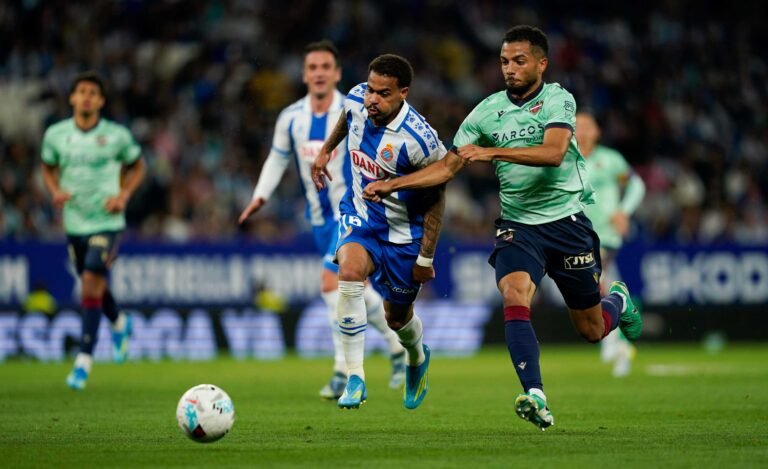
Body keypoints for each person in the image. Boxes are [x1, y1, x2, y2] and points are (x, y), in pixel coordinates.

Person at [363, 26, 642, 429]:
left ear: (541, 64)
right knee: (514, 292)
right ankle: (535, 394)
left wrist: (491, 151)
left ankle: (618, 299)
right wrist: (394, 183)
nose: (509, 69)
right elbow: (447, 167)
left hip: (567, 224)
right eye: (504, 62)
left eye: (519, 61)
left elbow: (554, 153)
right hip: (518, 226)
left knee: (593, 329)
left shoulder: (558, 100)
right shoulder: (485, 111)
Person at [238, 41, 405, 400]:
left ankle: (343, 371)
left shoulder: (355, 109)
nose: (318, 73)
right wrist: (260, 196)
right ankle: (395, 348)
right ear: (304, 74)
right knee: (354, 291)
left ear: (337, 73)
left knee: (332, 285)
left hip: (354, 212)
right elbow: (276, 159)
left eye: (325, 66)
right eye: (312, 67)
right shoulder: (291, 118)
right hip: (318, 219)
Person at [311, 53, 447, 410]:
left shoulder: (420, 140)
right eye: (371, 89)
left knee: (396, 318)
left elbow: (436, 199)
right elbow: (347, 116)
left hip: (404, 234)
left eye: (383, 93)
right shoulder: (358, 99)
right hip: (361, 216)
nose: (372, 99)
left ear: (403, 92)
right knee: (350, 271)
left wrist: (426, 256)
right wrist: (326, 151)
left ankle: (416, 358)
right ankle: (355, 377)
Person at [41, 71, 146, 390]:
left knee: (89, 282)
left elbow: (138, 165)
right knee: (93, 282)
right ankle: (119, 322)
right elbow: (47, 166)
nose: (86, 96)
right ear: (72, 98)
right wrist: (54, 190)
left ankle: (83, 363)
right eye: (81, 91)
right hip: (74, 223)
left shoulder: (116, 135)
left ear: (100, 101)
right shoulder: (56, 135)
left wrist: (124, 194)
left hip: (107, 221)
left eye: (92, 93)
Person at [576, 110, 646, 377]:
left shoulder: (610, 160)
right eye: (576, 126)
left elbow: (636, 185)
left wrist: (624, 211)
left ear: (596, 132)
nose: (581, 131)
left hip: (605, 235)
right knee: (599, 284)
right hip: (576, 234)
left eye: (586, 126)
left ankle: (614, 340)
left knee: (597, 281)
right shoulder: (565, 158)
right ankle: (619, 336)